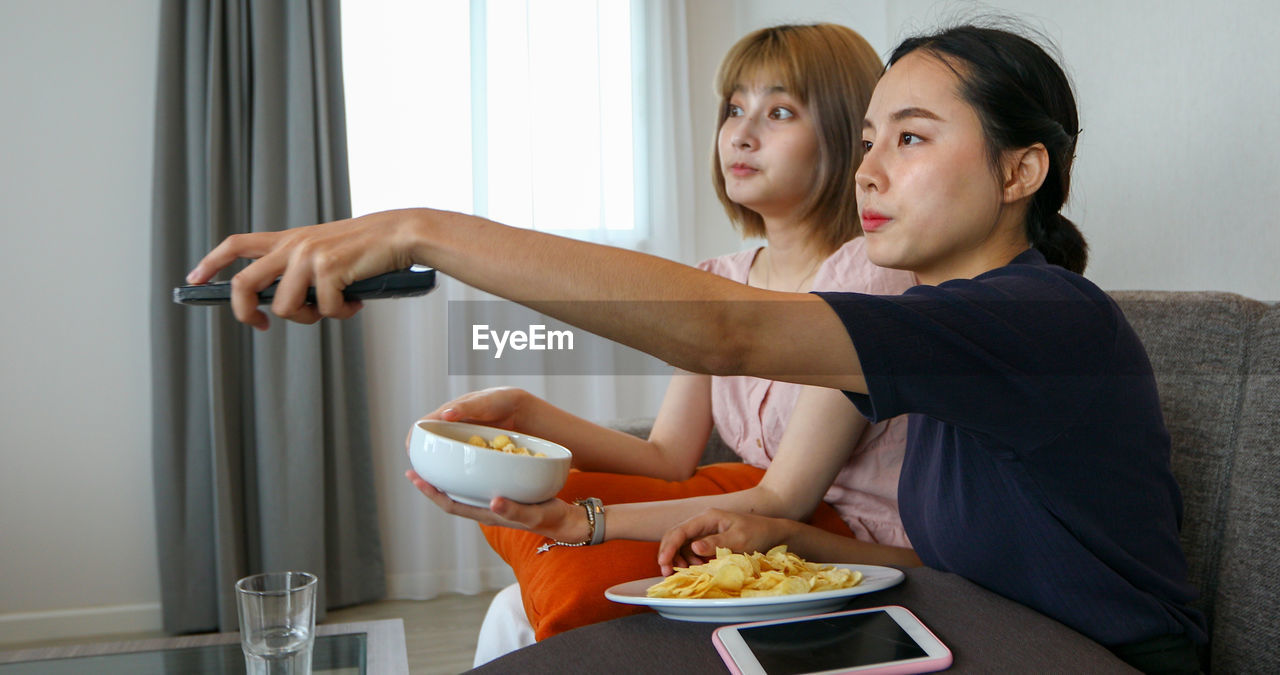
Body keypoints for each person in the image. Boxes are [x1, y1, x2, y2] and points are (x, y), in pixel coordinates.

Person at [187, 22, 1206, 674]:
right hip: (959, 621)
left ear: (1020, 168)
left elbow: (728, 333)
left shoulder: (1039, 317)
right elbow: (948, 558)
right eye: (867, 142)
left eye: (909, 136)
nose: (870, 169)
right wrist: (760, 538)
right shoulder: (921, 332)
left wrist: (421, 230)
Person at [421, 23, 917, 654]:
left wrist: (588, 523)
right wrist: (527, 413)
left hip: (844, 548)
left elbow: (781, 496)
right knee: (513, 608)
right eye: (735, 108)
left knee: (531, 605)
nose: (741, 132)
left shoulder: (870, 278)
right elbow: (667, 458)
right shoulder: (720, 281)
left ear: (847, 135)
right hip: (752, 532)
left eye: (780, 111)